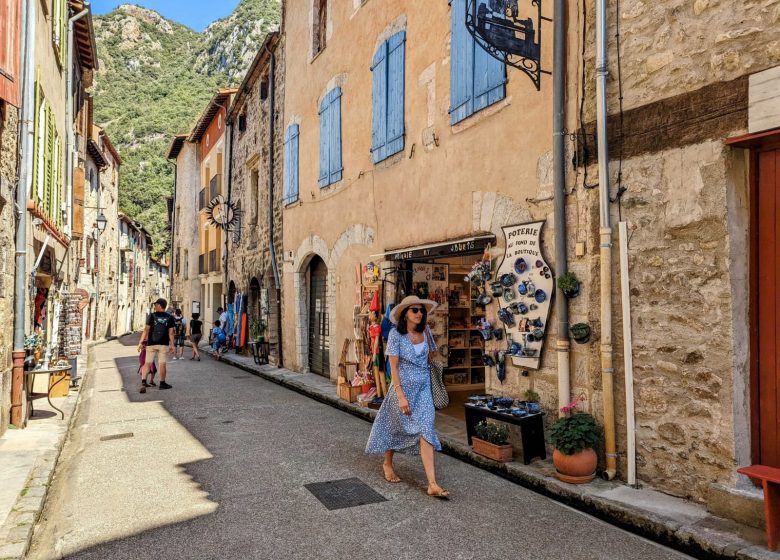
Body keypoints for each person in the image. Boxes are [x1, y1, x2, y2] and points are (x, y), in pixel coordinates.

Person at [365, 295, 449, 499]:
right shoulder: (396, 335)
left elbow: (432, 355)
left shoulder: (426, 331)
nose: (419, 313)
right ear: (405, 314)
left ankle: (432, 483)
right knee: (395, 425)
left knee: (426, 429)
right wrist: (401, 395)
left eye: (421, 310)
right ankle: (387, 463)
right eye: (415, 310)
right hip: (402, 390)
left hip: (424, 390)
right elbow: (393, 367)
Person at [137, 298, 175, 393]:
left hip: (151, 344)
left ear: (159, 305)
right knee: (162, 363)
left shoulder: (152, 316)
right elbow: (171, 333)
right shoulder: (170, 317)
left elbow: (146, 330)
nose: (154, 306)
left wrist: (141, 342)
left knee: (147, 363)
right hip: (163, 344)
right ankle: (162, 383)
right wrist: (172, 345)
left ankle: (143, 382)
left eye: (155, 305)